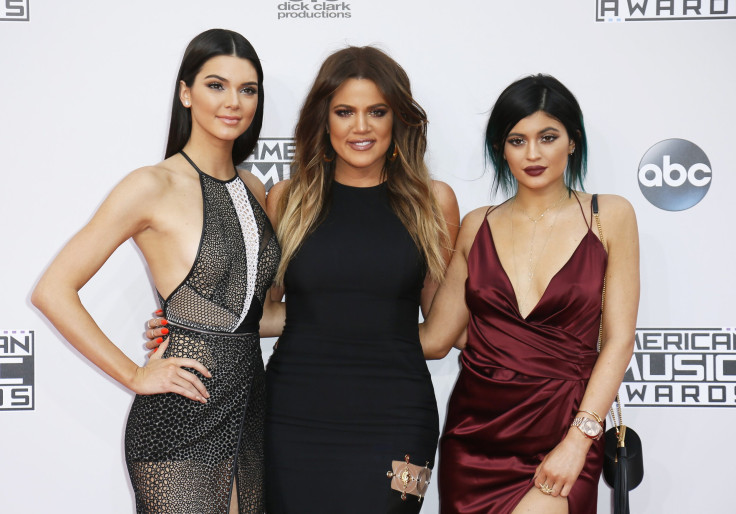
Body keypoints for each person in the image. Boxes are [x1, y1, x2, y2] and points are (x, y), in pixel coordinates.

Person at [31, 29, 281, 513]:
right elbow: (53, 290)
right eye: (216, 85)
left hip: (250, 408)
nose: (233, 101)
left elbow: (254, 313)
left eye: (248, 89)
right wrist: (133, 373)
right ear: (186, 93)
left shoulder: (255, 188)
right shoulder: (150, 185)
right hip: (178, 417)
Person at [420, 75, 639, 514]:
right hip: (474, 435)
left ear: (572, 142)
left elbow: (618, 340)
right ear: (501, 148)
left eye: (548, 137)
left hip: (563, 429)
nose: (533, 154)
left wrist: (580, 440)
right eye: (517, 140)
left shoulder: (609, 216)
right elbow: (440, 336)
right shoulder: (476, 224)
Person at [264, 46, 459, 513]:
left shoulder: (433, 202)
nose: (361, 127)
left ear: (398, 120)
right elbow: (266, 310)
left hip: (401, 418)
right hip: (294, 417)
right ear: (323, 119)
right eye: (344, 112)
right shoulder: (287, 199)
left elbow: (438, 332)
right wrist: (193, 324)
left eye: (377, 111)